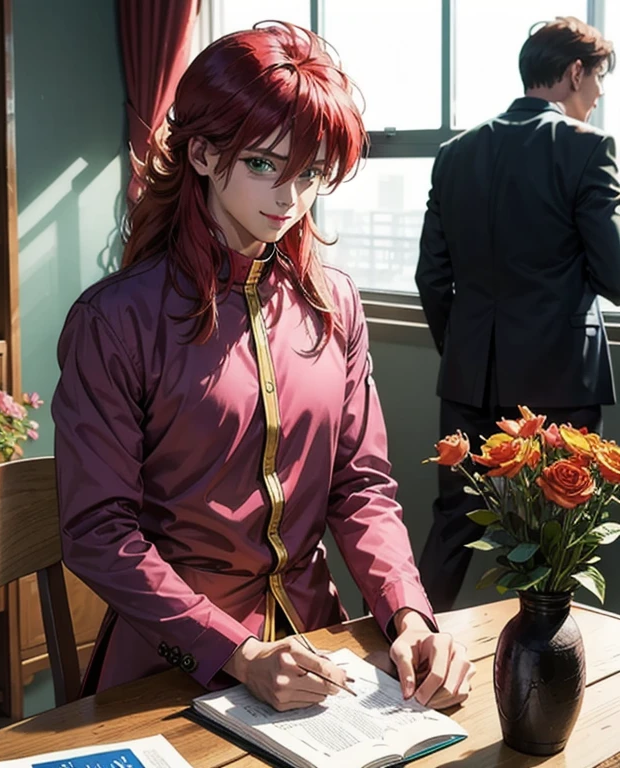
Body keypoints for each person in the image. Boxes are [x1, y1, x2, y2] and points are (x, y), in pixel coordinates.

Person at [53, 22, 474, 713]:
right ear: (200, 155)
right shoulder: (115, 320)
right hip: (170, 666)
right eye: (263, 164)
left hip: (321, 652)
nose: (289, 195)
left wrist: (408, 615)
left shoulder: (334, 302)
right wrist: (237, 653)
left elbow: (361, 487)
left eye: (309, 173)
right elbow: (99, 534)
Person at [416, 16, 620, 612]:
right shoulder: (589, 148)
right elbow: (613, 272)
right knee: (558, 539)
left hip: (469, 376)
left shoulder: (454, 153)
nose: (601, 94)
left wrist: (465, 351)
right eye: (600, 78)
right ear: (575, 71)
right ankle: (544, 668)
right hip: (559, 379)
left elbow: (432, 277)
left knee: (454, 523)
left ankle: (407, 645)